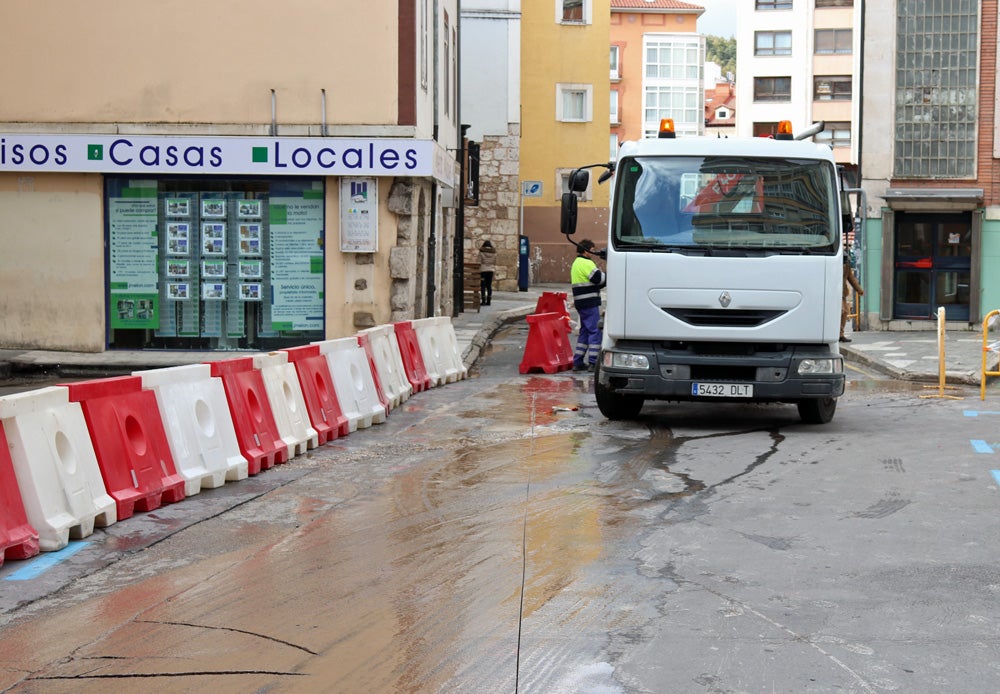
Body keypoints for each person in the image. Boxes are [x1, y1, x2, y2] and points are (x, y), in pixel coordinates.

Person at [570, 239, 606, 371]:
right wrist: (609, 275)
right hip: (589, 302)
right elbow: (599, 279)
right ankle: (593, 362)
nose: (593, 252)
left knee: (584, 332)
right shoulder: (586, 263)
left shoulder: (576, 263)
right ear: (586, 250)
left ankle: (578, 361)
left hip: (580, 302)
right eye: (592, 249)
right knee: (595, 331)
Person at [841, 253, 864, 342]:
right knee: (842, 311)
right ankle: (838, 334)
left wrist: (859, 290)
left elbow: (851, 278)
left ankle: (840, 334)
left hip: (842, 292)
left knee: (845, 311)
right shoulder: (833, 264)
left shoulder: (846, 266)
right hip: (832, 291)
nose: (845, 261)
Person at [477, 240, 497, 306]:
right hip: (491, 270)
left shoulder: (481, 252)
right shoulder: (494, 252)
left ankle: (483, 301)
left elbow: (478, 261)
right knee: (489, 285)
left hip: (483, 270)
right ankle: (489, 301)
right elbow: (495, 261)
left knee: (483, 285)